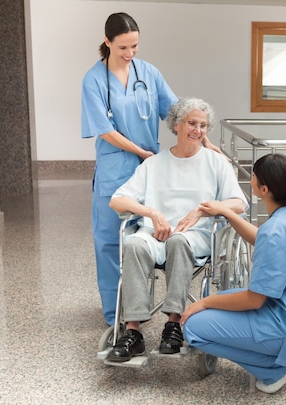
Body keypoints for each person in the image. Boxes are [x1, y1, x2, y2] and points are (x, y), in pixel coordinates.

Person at [81, 13, 219, 326]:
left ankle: (145, 305)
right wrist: (140, 150)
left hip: (149, 165)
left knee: (146, 234)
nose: (130, 54)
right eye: (123, 48)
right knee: (109, 241)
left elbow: (179, 113)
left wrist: (204, 139)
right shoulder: (93, 79)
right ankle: (115, 312)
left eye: (135, 47)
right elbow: (104, 129)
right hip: (116, 164)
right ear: (107, 42)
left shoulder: (148, 73)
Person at [106, 98, 247, 361]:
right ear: (176, 126)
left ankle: (173, 324)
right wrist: (151, 213)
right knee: (133, 244)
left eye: (203, 126)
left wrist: (203, 210)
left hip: (195, 236)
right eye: (192, 123)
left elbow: (238, 203)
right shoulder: (154, 164)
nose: (198, 130)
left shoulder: (216, 163)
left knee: (178, 241)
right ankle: (133, 331)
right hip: (154, 233)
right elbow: (117, 200)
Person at [181, 153, 286, 394]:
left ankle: (274, 368)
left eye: (253, 176)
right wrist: (228, 213)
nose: (250, 179)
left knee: (193, 326)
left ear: (263, 189)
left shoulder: (276, 230)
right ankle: (279, 359)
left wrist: (203, 302)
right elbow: (263, 238)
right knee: (225, 298)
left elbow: (253, 299)